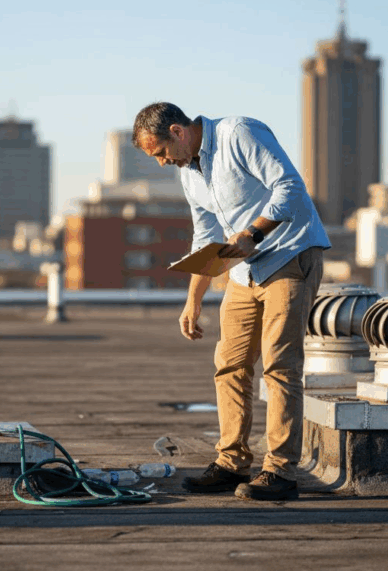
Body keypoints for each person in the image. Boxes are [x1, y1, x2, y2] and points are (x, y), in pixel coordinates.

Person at [132, 102, 330, 500]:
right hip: (242, 271)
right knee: (230, 365)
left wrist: (253, 233)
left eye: (158, 153)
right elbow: (205, 238)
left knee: (280, 366)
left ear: (177, 131)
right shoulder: (189, 172)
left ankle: (280, 471)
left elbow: (290, 186)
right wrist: (193, 301)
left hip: (289, 255)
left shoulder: (240, 133)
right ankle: (231, 462)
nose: (160, 163)